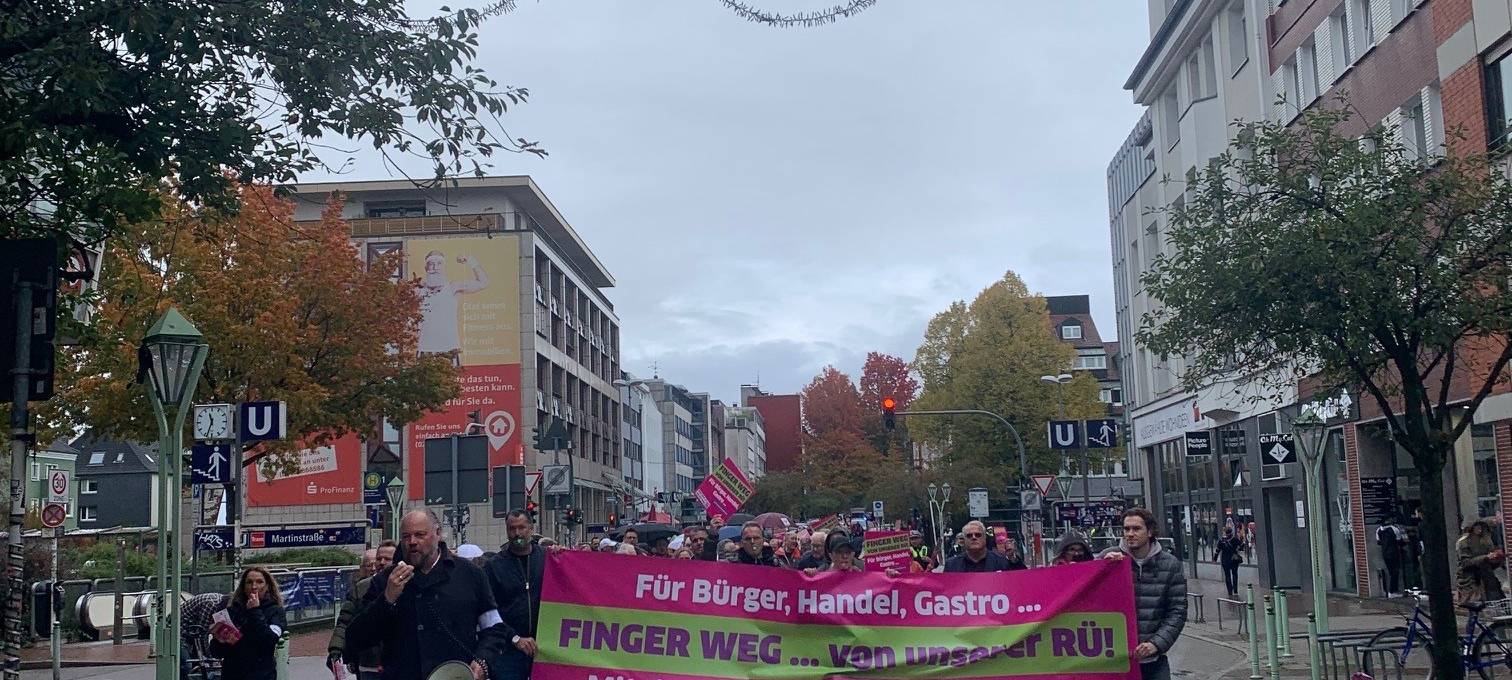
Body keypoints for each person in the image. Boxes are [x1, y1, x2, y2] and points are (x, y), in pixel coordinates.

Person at [346, 511, 503, 680]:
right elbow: (356, 638)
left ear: (438, 534)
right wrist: (387, 599)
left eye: (420, 535)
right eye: (406, 536)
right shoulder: (385, 581)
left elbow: (494, 629)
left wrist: (482, 661)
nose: (412, 542)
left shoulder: (470, 574)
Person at [1100, 508, 1187, 680]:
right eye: (1126, 529)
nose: (1130, 534)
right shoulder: (1109, 558)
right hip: (1114, 660)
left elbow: (1177, 611)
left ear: (1150, 531)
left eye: (1136, 529)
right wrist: (1102, 568)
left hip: (1152, 661)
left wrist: (1156, 644)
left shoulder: (1170, 565)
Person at [482, 510, 547, 679]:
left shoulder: (547, 559)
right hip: (507, 653)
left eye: (522, 527)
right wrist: (515, 638)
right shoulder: (494, 566)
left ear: (531, 529)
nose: (517, 533)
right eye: (512, 529)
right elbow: (488, 611)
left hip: (544, 648)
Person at [330, 541, 397, 680]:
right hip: (368, 663)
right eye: (379, 558)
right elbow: (344, 622)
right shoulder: (361, 588)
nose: (381, 562)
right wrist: (336, 650)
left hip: (396, 664)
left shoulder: (407, 586)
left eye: (387, 559)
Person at [209, 567, 288, 680]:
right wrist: (219, 639)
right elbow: (216, 652)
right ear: (243, 586)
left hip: (261, 674)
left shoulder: (275, 611)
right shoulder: (232, 609)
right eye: (249, 582)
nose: (254, 587)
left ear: (267, 586)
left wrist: (254, 611)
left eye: (259, 582)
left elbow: (269, 640)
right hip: (233, 673)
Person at [417, 250, 489, 359]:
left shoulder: (453, 288)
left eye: (439, 263)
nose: (435, 267)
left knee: (452, 376)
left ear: (444, 267)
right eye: (431, 264)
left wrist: (470, 260)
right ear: (426, 268)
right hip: (425, 349)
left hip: (449, 348)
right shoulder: (418, 291)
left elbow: (483, 283)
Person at [1457, 520, 1506, 604]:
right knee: (1475, 606)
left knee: (1497, 603)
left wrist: (1498, 559)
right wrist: (1485, 557)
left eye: (1481, 528)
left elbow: (1491, 563)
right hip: (1471, 580)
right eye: (1477, 528)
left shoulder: (1485, 541)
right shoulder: (1463, 543)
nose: (1479, 530)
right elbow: (1466, 563)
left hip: (1488, 577)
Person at [945, 521, 1013, 572]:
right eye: (969, 535)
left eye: (978, 535)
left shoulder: (1001, 562)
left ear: (984, 538)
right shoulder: (951, 565)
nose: (974, 537)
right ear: (964, 540)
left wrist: (1013, 558)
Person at [1213, 527, 1245, 598]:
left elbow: (1217, 550)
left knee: (1227, 576)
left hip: (1225, 561)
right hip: (1234, 560)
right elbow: (1242, 546)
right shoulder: (1235, 539)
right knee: (1234, 575)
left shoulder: (1221, 540)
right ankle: (1235, 591)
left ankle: (1230, 591)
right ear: (1231, 532)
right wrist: (1237, 550)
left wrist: (1215, 559)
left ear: (1225, 532)